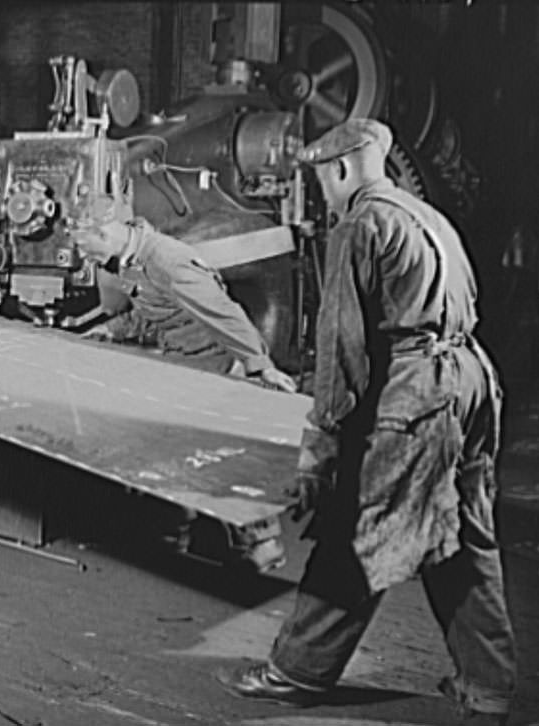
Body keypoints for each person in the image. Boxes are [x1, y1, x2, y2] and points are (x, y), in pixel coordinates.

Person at [217, 119, 517, 724]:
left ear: (341, 169)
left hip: (419, 393)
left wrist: (321, 447)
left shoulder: (361, 223)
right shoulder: (429, 217)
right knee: (460, 534)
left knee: (357, 529)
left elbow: (341, 348)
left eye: (321, 181)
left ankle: (295, 672)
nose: (323, 195)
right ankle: (489, 685)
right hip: (472, 382)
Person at [68, 210, 297, 393]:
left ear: (103, 235)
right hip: (180, 355)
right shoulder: (129, 260)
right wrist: (111, 329)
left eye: (82, 246)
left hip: (210, 365)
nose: (83, 256)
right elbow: (155, 309)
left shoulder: (167, 260)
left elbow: (220, 311)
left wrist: (261, 366)